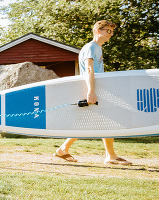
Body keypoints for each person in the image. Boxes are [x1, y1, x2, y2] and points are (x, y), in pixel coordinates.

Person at [53, 20, 132, 166]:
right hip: (92, 89)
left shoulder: (97, 48)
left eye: (112, 31)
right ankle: (110, 156)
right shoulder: (91, 47)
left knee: (92, 122)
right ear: (98, 31)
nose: (111, 34)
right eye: (108, 31)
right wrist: (91, 91)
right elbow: (89, 70)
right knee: (104, 121)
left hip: (96, 89)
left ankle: (64, 149)